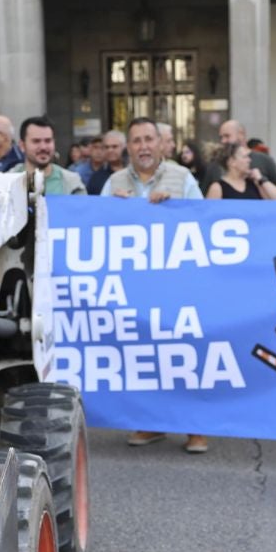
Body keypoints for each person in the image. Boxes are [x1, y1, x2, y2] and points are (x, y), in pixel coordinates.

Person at [107, 117, 206, 454]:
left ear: (162, 144)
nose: (144, 146)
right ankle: (151, 422)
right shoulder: (115, 181)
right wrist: (110, 209)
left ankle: (196, 427)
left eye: (149, 139)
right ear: (128, 147)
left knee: (185, 353)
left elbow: (204, 220)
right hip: (134, 287)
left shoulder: (183, 178)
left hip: (177, 285)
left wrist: (176, 209)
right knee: (144, 355)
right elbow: (93, 227)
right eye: (136, 141)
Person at [21, 115, 86, 197]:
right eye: (36, 141)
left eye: (48, 141)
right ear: (22, 146)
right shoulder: (7, 182)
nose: (43, 147)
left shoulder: (73, 183)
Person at [205, 141, 276, 200]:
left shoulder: (254, 183)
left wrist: (261, 179)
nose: (249, 160)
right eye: (245, 157)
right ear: (232, 162)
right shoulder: (218, 187)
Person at [218, 119, 276, 190]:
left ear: (241, 135)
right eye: (221, 137)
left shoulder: (264, 160)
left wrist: (261, 180)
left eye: (227, 136)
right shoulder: (216, 163)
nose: (223, 141)